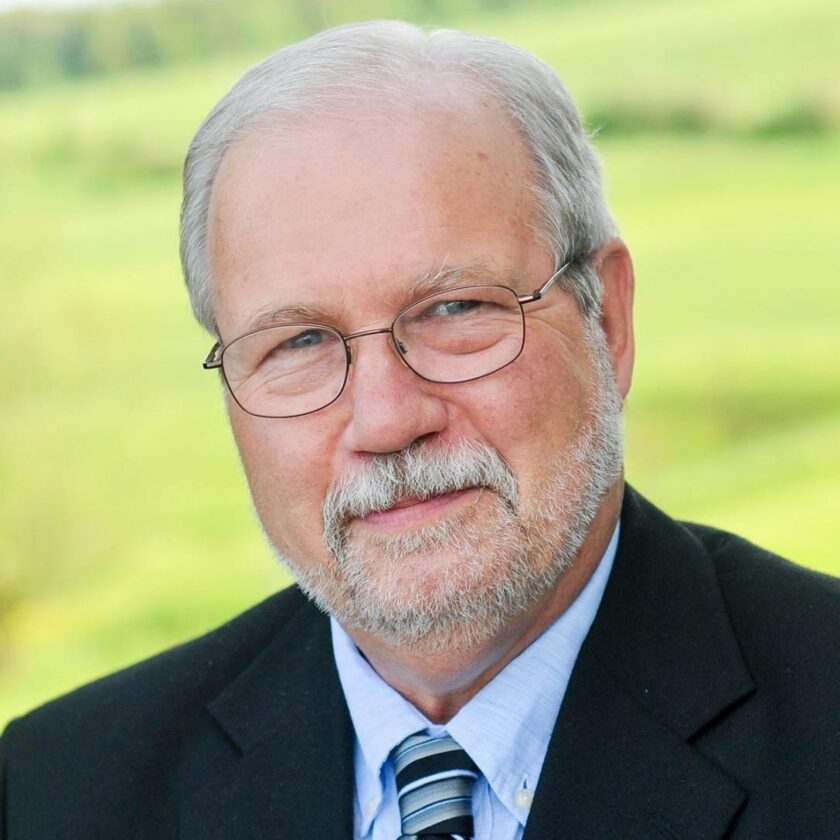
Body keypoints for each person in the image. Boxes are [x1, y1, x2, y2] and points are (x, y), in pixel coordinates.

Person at [1, 20, 838, 840]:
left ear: (607, 321)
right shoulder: (55, 792)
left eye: (454, 309)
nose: (387, 421)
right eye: (298, 342)